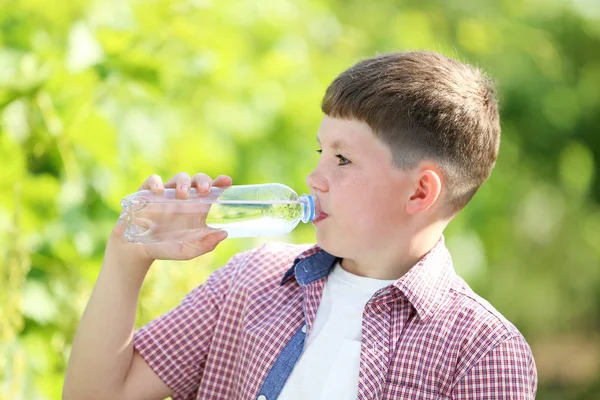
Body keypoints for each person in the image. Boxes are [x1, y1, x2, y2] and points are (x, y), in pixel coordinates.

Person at [63, 51, 537, 400]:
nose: (314, 178)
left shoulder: (482, 351)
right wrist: (129, 254)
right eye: (320, 152)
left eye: (343, 159)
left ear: (419, 192)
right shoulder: (251, 283)